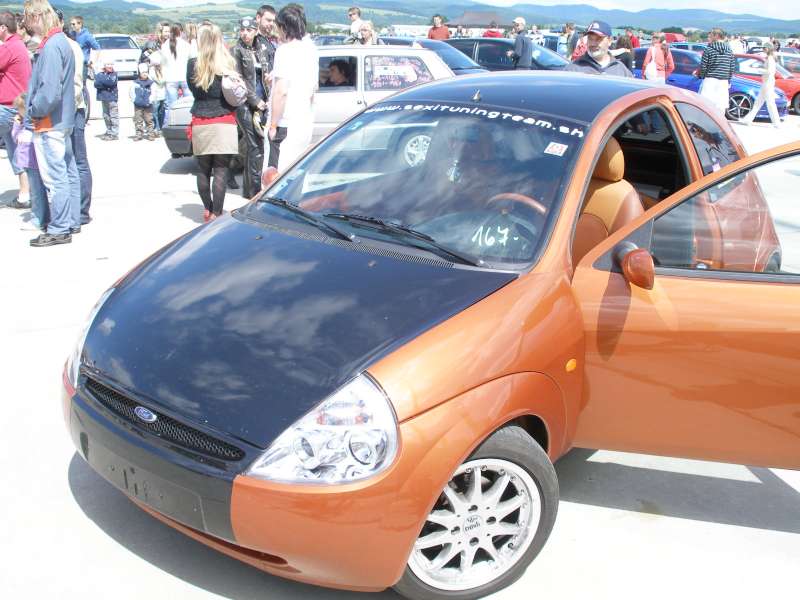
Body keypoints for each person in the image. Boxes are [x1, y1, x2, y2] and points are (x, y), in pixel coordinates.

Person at [24, 0, 78, 247]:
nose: (27, 24)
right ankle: (69, 221)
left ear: (37, 17)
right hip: (60, 120)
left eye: (28, 19)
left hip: (49, 122)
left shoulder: (51, 46)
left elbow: (49, 91)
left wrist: (33, 110)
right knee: (66, 173)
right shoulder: (60, 42)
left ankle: (60, 227)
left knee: (55, 178)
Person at [187, 23, 238, 222]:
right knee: (221, 171)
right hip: (224, 120)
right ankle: (217, 212)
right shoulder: (227, 62)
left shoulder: (193, 64)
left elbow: (193, 90)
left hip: (201, 120)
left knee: (202, 170)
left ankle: (207, 209)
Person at [267, 5, 318, 173]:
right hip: (304, 120)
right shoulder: (311, 49)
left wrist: (273, 125)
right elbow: (313, 89)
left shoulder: (284, 51)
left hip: (285, 123)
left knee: (276, 176)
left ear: (283, 27)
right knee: (298, 173)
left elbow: (281, 91)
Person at [59, 8, 91, 226]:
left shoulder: (72, 46)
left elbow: (76, 84)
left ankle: (80, 211)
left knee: (78, 161)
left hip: (73, 110)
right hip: (64, 112)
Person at [0, 11, 32, 209]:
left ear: (3, 28)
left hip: (6, 107)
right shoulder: (18, 45)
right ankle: (25, 194)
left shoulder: (9, 47)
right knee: (16, 153)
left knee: (16, 152)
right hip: (16, 108)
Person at [234, 17, 267, 198]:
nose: (245, 33)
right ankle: (254, 191)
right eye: (242, 30)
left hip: (262, 102)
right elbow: (239, 80)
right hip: (245, 104)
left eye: (249, 30)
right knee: (255, 146)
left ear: (255, 31)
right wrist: (255, 100)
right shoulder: (237, 50)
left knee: (254, 146)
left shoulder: (260, 48)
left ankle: (249, 189)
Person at [12, 93, 47, 231]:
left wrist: (18, 125)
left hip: (33, 164)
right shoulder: (25, 127)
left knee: (37, 193)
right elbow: (15, 138)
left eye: (19, 109)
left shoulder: (31, 128)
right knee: (37, 192)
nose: (17, 112)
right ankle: (42, 216)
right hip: (29, 164)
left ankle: (38, 219)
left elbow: (16, 138)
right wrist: (17, 124)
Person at [565, 21, 633, 77]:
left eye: (598, 39)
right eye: (590, 38)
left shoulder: (621, 70)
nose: (593, 43)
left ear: (610, 41)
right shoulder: (573, 69)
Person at [740, 42, 782, 128]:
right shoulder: (770, 58)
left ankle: (777, 123)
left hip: (768, 83)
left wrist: (759, 69)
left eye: (764, 48)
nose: (763, 49)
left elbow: (770, 72)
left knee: (770, 103)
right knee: (759, 102)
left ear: (768, 49)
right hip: (767, 82)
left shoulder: (770, 58)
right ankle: (748, 120)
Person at [161, 22, 194, 125]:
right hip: (184, 76)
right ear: (181, 32)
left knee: (171, 105)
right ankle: (189, 123)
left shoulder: (165, 45)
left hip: (170, 78)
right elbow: (192, 59)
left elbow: (163, 61)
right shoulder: (186, 45)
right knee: (189, 103)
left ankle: (170, 124)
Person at [698, 28, 735, 117]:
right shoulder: (729, 50)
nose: (710, 36)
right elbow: (732, 67)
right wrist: (729, 80)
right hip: (723, 81)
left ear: (716, 36)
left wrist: (702, 76)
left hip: (710, 80)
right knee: (721, 106)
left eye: (711, 35)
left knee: (706, 105)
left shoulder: (708, 49)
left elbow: (703, 66)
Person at [94, 59, 118, 140]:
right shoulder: (100, 74)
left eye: (111, 64)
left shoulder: (114, 74)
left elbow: (111, 83)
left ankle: (114, 133)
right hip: (103, 97)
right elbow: (96, 84)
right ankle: (109, 131)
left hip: (112, 98)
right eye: (108, 64)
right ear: (104, 66)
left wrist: (102, 80)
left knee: (113, 115)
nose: (110, 66)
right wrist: (103, 81)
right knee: (106, 115)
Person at [130, 64, 155, 140]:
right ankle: (139, 134)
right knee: (138, 120)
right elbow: (131, 92)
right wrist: (134, 100)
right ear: (139, 73)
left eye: (146, 72)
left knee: (149, 120)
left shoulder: (151, 83)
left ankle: (151, 134)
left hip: (148, 105)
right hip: (138, 105)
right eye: (143, 72)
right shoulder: (135, 83)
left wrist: (150, 100)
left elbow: (153, 93)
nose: (145, 74)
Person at [148, 52, 166, 136]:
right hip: (155, 95)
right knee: (155, 113)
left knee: (161, 112)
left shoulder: (163, 69)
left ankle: (161, 128)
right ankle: (157, 128)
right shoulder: (151, 70)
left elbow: (163, 80)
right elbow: (160, 81)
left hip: (163, 94)